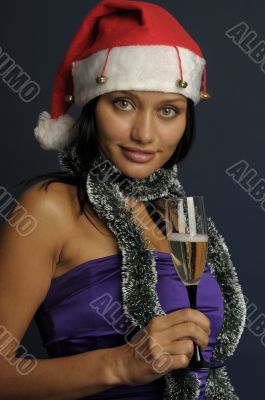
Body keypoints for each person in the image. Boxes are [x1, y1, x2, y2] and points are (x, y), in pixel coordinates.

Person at [0, 0, 246, 399]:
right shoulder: (48, 208)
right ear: (93, 105)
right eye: (124, 103)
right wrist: (121, 364)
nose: (145, 134)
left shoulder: (179, 215)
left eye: (168, 110)